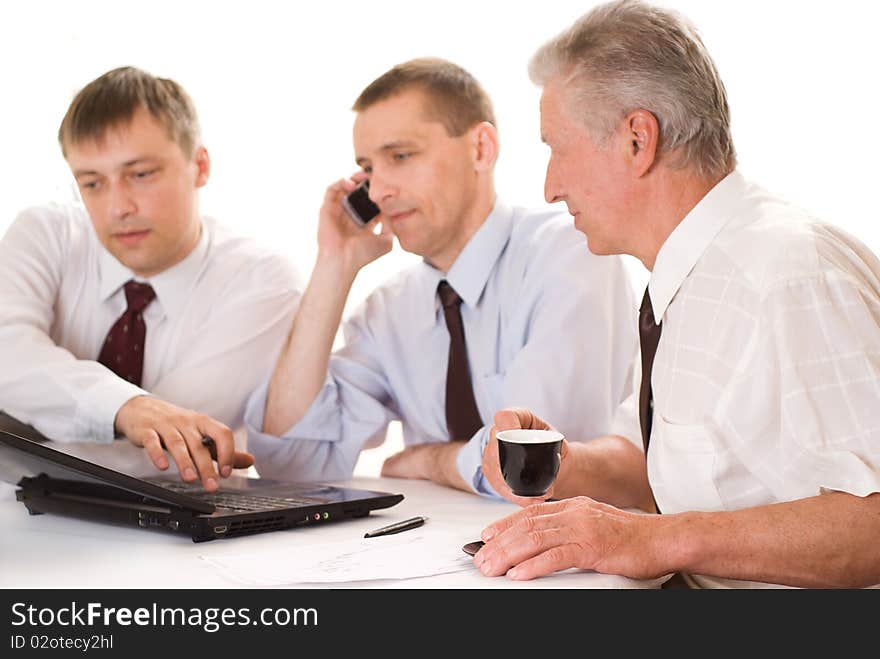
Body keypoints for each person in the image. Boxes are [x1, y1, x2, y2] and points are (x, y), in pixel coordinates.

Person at [474, 0, 880, 588]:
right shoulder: (685, 276)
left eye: (557, 147)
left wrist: (650, 540)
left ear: (638, 140)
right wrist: (558, 464)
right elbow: (659, 466)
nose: (550, 186)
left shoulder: (791, 274)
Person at [244, 58, 636, 495]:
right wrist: (333, 267)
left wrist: (429, 459)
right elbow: (288, 461)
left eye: (401, 156)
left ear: (481, 148)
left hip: (569, 557)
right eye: (368, 169)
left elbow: (531, 468)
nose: (378, 192)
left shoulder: (570, 254)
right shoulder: (390, 309)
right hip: (436, 556)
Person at [0, 67, 301, 492]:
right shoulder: (45, 234)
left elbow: (170, 449)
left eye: (140, 174)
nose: (117, 207)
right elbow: (6, 351)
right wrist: (128, 409)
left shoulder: (262, 282)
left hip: (185, 537)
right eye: (92, 183)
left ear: (199, 166)